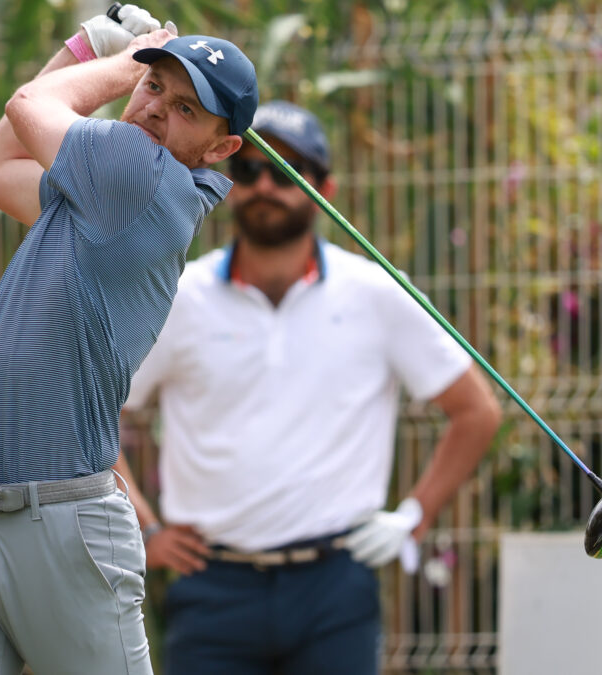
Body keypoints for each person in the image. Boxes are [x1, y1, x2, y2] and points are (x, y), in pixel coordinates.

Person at [0, 5, 258, 673]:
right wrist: (86, 45)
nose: (156, 109)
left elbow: (28, 104)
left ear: (220, 148)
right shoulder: (98, 193)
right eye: (155, 87)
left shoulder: (139, 173)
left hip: (62, 530)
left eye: (186, 109)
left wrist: (125, 59)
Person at [113, 100, 503, 674]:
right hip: (211, 587)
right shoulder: (179, 295)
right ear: (229, 183)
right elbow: (96, 412)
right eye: (250, 169)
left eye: (287, 171)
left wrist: (413, 517)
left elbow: (477, 411)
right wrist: (146, 529)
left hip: (335, 588)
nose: (265, 186)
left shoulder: (376, 291)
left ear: (325, 188)